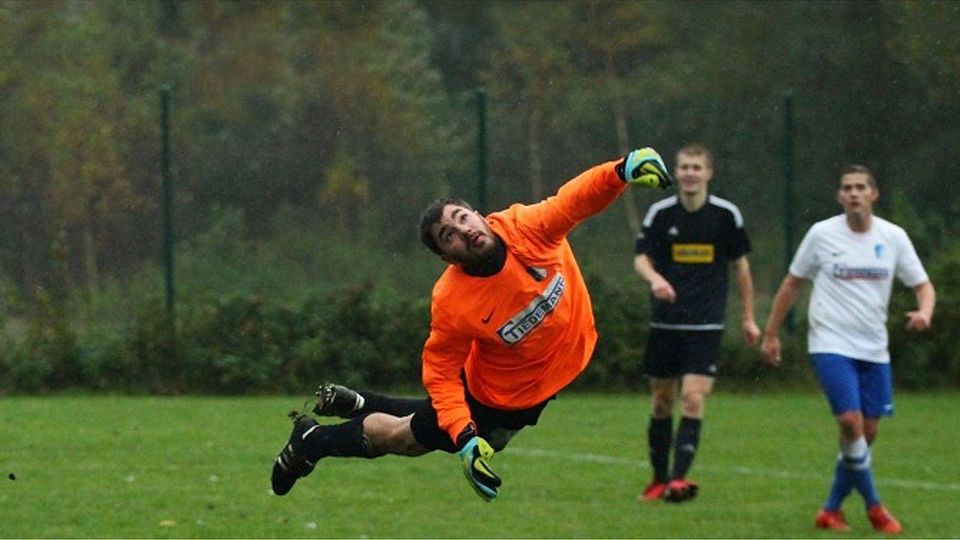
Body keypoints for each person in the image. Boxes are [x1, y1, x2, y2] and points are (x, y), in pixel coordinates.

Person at [270, 147, 674, 501]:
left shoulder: (528, 229)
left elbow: (573, 200)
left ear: (478, 215)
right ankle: (312, 441)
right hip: (494, 401)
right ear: (449, 258)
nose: (463, 230)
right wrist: (465, 438)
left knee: (427, 424)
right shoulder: (452, 300)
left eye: (462, 218)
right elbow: (442, 375)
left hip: (534, 388)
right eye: (449, 235)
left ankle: (358, 403)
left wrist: (621, 170)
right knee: (406, 439)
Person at [761, 164, 935, 534]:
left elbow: (923, 285)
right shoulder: (822, 235)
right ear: (840, 196)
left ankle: (830, 509)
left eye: (860, 187)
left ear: (874, 194)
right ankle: (876, 508)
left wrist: (925, 312)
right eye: (847, 188)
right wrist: (771, 333)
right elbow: (792, 283)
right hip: (829, 341)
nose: (854, 193)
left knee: (866, 433)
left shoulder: (893, 237)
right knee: (849, 422)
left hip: (874, 347)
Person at [632, 143, 761, 503]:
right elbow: (641, 259)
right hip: (666, 325)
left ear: (708, 173)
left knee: (692, 398)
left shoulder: (725, 216)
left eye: (696, 167)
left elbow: (742, 269)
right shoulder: (660, 213)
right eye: (684, 167)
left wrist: (748, 318)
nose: (689, 173)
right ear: (676, 172)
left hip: (706, 325)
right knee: (661, 401)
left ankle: (678, 479)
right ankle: (658, 479)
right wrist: (655, 279)